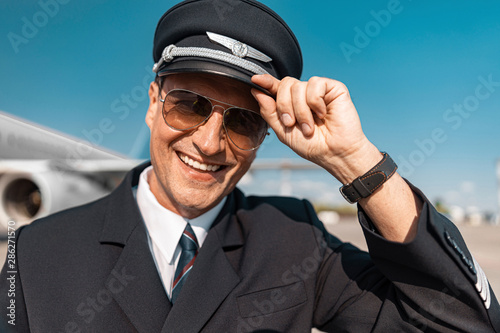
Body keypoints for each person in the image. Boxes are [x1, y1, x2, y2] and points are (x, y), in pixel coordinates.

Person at [1, 0, 499, 332]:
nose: (211, 142)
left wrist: (354, 160)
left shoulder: (295, 239)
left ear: (266, 134)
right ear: (154, 102)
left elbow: (464, 322)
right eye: (189, 105)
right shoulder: (36, 254)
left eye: (242, 121)